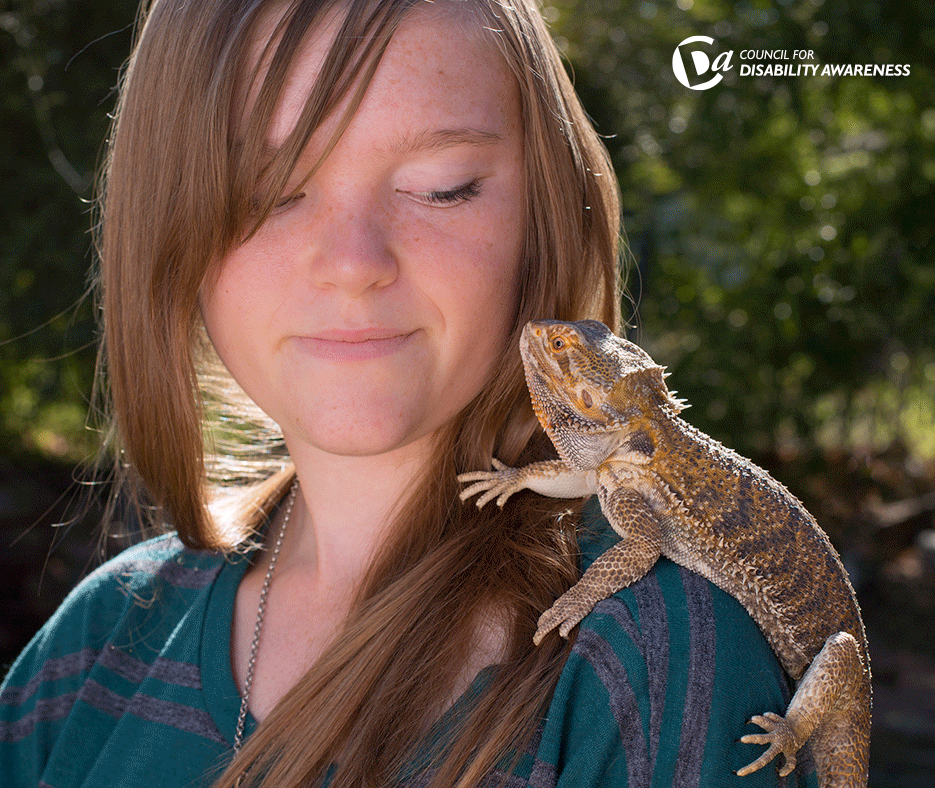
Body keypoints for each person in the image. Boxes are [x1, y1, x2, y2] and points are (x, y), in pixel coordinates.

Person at [0, 1, 817, 786]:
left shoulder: (656, 663)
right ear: (165, 224)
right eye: (266, 189)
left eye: (444, 184)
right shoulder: (98, 640)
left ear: (548, 219)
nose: (354, 261)